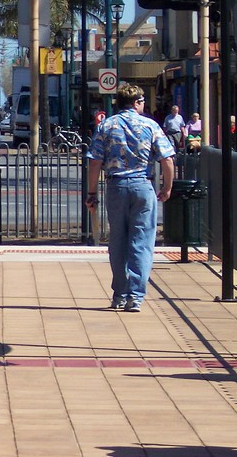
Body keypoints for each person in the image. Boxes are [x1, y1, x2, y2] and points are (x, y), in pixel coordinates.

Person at [86, 83, 175, 312]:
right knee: (141, 242)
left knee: (118, 242)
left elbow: (95, 162)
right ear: (136, 102)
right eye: (143, 101)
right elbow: (167, 159)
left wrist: (92, 193)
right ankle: (135, 296)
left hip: (116, 187)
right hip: (142, 187)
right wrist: (167, 187)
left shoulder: (106, 126)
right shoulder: (150, 125)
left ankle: (119, 293)